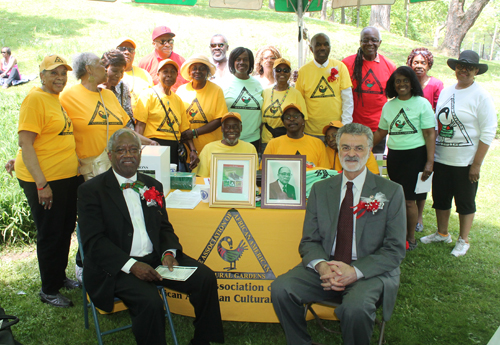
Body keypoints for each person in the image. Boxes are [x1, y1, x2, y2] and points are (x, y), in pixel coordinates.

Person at [77, 129, 224, 345]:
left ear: (140, 153)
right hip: (117, 267)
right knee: (150, 303)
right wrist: (132, 265)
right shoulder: (91, 190)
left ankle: (203, 340)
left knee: (205, 278)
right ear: (110, 155)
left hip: (155, 258)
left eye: (133, 149)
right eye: (121, 150)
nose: (128, 154)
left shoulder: (152, 186)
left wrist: (168, 252)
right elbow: (93, 243)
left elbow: (163, 226)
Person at [271, 123, 406, 345]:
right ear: (338, 150)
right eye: (345, 147)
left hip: (369, 271)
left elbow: (395, 250)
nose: (351, 153)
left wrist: (355, 271)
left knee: (355, 308)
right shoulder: (321, 189)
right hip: (328, 266)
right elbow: (309, 240)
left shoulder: (391, 191)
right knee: (281, 288)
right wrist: (323, 266)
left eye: (359, 148)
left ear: (369, 150)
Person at [14, 54, 79, 308]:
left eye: (63, 73)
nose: (60, 78)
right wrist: (41, 184)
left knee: (64, 230)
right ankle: (48, 289)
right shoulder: (35, 99)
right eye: (53, 73)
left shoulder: (54, 99)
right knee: (51, 233)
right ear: (41, 75)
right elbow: (26, 143)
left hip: (64, 179)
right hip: (44, 180)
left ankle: (59, 276)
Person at [420, 50, 497, 257]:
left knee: (465, 201)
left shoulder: (481, 96)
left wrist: (476, 164)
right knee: (441, 198)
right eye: (460, 66)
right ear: (455, 68)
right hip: (443, 158)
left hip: (466, 162)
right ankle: (442, 233)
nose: (464, 70)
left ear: (476, 71)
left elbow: (488, 131)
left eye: (469, 67)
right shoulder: (446, 91)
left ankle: (464, 240)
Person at [60, 52, 157, 181]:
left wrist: (148, 142)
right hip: (87, 174)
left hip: (114, 170)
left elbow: (122, 129)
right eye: (100, 64)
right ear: (89, 69)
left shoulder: (109, 95)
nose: (105, 68)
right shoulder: (68, 96)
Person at [373, 66, 436, 251]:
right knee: (398, 198)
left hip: (415, 156)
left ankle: (411, 238)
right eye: (398, 81)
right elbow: (381, 131)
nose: (401, 84)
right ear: (393, 85)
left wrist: (429, 162)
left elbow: (430, 134)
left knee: (410, 200)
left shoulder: (422, 103)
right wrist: (364, 147)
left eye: (405, 80)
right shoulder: (389, 105)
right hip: (394, 157)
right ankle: (398, 234)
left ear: (412, 83)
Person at [134, 59, 198, 171]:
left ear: (177, 76)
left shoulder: (177, 100)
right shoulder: (147, 95)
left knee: (169, 181)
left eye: (173, 72)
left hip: (173, 147)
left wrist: (192, 150)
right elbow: (139, 126)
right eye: (165, 71)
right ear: (158, 74)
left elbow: (184, 129)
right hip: (153, 146)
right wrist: (139, 149)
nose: (169, 75)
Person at [406, 47, 444, 233]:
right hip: (409, 139)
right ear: (410, 64)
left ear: (429, 64)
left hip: (427, 138)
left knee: (423, 177)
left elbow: (439, 113)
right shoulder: (407, 84)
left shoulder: (436, 84)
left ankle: (419, 216)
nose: (419, 66)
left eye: (423, 62)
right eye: (415, 62)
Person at [342, 26, 396, 153]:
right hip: (353, 127)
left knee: (374, 168)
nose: (369, 43)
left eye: (374, 40)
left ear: (380, 43)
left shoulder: (390, 66)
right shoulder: (347, 64)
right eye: (365, 40)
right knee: (353, 165)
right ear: (360, 42)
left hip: (378, 130)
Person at [295, 33, 353, 141]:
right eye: (318, 45)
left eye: (326, 45)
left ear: (330, 48)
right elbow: (299, 103)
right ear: (311, 49)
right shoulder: (303, 71)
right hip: (310, 131)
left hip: (336, 130)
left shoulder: (340, 67)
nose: (322, 48)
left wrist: (344, 126)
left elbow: (347, 100)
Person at [177, 55, 228, 156]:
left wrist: (195, 132)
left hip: (211, 148)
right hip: (188, 149)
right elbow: (179, 118)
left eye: (202, 69)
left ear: (207, 72)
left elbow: (220, 119)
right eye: (194, 69)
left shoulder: (216, 90)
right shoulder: (181, 90)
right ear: (189, 72)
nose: (197, 71)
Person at [263, 104, 329, 170]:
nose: (292, 119)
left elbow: (325, 172)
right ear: (283, 122)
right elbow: (265, 171)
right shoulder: (273, 144)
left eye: (296, 116)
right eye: (287, 117)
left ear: (303, 120)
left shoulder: (318, 143)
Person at [221, 47, 263, 151]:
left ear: (251, 62)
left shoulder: (257, 84)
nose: (242, 62)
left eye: (245, 59)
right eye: (238, 59)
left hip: (253, 139)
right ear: (232, 62)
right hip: (229, 139)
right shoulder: (224, 83)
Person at [261, 58, 307, 151]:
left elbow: (303, 120)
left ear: (290, 74)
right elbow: (261, 121)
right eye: (278, 70)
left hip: (287, 138)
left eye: (285, 70)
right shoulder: (265, 92)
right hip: (266, 140)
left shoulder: (296, 94)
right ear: (273, 72)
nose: (282, 73)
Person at [193, 112, 257, 177]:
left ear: (241, 128)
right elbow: (200, 177)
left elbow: (253, 176)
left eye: (235, 127)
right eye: (228, 127)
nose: (231, 130)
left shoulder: (250, 148)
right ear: (222, 129)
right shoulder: (208, 148)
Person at [138, 26, 187, 91]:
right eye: (163, 41)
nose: (167, 45)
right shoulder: (144, 62)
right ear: (154, 44)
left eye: (170, 41)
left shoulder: (182, 62)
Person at [115, 38, 154, 112]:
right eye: (122, 49)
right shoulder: (110, 74)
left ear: (134, 54)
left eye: (130, 50)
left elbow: (153, 101)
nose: (127, 52)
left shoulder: (145, 74)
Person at [99, 49, 134, 127]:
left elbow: (128, 117)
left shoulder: (123, 88)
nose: (118, 75)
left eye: (122, 72)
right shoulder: (94, 88)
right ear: (104, 69)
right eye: (114, 71)